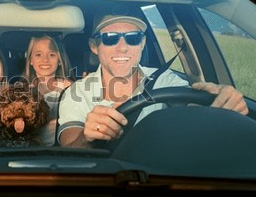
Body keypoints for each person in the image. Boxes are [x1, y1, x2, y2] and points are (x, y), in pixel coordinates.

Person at [58, 15, 249, 148]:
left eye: (133, 38)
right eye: (110, 38)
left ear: (142, 44)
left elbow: (193, 107)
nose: (122, 48)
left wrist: (220, 100)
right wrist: (86, 138)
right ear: (94, 46)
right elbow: (69, 149)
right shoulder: (77, 92)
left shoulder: (164, 80)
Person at [23, 35, 73, 145]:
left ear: (60, 60)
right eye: (38, 55)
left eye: (52, 55)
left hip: (60, 148)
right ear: (31, 60)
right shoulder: (23, 90)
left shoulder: (68, 87)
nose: (45, 59)